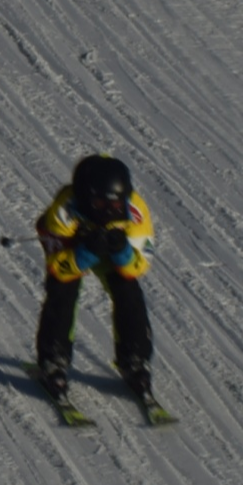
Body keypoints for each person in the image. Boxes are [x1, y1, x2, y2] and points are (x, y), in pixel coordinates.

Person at [33, 154, 156, 399]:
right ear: (85, 198)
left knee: (128, 290)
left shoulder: (136, 212)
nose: (109, 211)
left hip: (113, 250)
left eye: (116, 205)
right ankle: (53, 358)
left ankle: (134, 360)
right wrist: (84, 253)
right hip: (73, 247)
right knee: (62, 290)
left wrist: (123, 253)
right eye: (100, 204)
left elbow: (139, 266)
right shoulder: (64, 211)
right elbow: (58, 268)